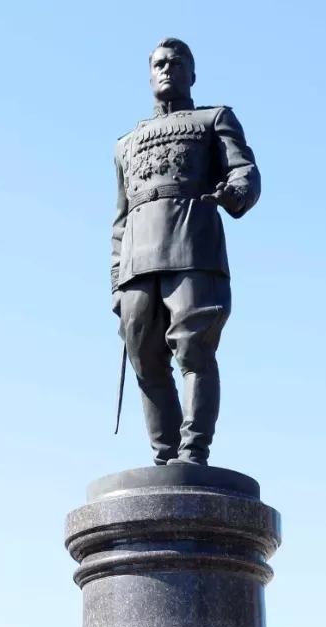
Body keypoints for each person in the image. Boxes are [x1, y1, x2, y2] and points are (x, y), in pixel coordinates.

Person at [110, 37, 261, 468]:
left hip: (193, 250)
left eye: (177, 63)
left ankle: (193, 452)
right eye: (158, 63)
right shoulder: (126, 144)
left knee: (193, 351)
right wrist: (115, 283)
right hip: (138, 265)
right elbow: (119, 219)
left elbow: (245, 171)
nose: (167, 69)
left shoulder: (215, 120)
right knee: (144, 358)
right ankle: (165, 459)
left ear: (192, 74)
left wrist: (236, 193)